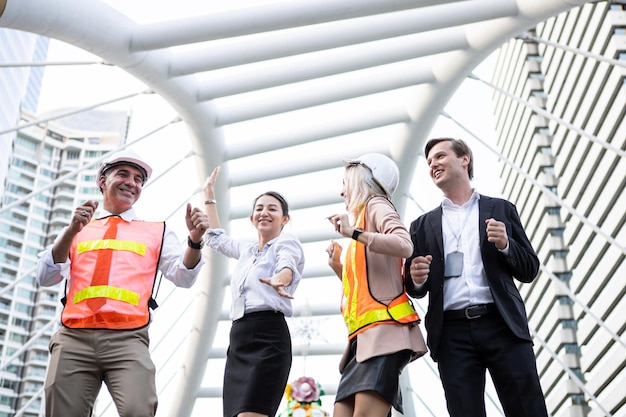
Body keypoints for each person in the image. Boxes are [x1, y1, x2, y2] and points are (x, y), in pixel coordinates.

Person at [36, 148, 209, 417]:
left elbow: (184, 276)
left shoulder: (156, 231)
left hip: (129, 339)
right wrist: (71, 231)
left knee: (138, 410)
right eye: (123, 174)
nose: (132, 182)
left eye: (139, 179)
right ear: (102, 181)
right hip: (73, 337)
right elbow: (46, 277)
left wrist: (195, 241)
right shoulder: (77, 228)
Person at [405, 138, 549, 417]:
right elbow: (415, 288)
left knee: (527, 408)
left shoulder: (501, 209)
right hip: (451, 333)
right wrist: (416, 276)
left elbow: (529, 269)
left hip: (503, 325)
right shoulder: (421, 226)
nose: (433, 164)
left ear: (464, 159)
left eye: (439, 156)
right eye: (429, 162)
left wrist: (506, 244)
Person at [326, 153, 427, 417]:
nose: (341, 191)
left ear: (361, 181)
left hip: (385, 334)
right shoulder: (359, 223)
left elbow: (404, 245)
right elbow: (368, 286)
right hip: (362, 341)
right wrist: (340, 267)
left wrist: (354, 234)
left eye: (345, 183)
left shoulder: (377, 204)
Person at [202, 166, 305, 417]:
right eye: (259, 209)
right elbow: (216, 239)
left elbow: (287, 264)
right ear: (251, 218)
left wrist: (282, 278)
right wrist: (208, 195)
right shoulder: (247, 251)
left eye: (272, 209)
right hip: (239, 338)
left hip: (268, 336)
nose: (264, 213)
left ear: (285, 219)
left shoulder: (286, 241)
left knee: (252, 413)